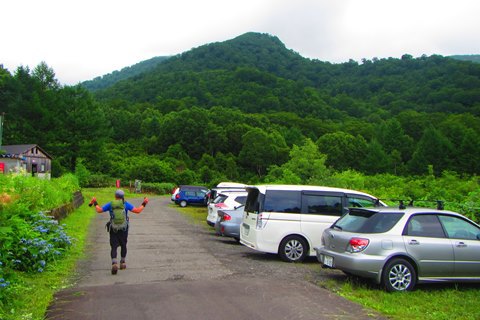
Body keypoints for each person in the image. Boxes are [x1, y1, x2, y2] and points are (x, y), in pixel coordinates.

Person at [89, 189, 148, 275]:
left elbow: (99, 210)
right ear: (123, 196)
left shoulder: (110, 204)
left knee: (114, 246)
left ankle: (114, 263)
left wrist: (95, 202)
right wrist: (144, 203)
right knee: (123, 244)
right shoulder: (125, 204)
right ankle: (123, 263)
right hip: (124, 228)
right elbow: (138, 210)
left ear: (115, 196)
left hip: (114, 228)